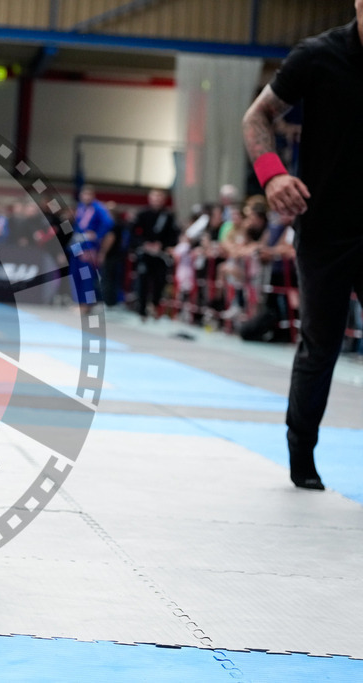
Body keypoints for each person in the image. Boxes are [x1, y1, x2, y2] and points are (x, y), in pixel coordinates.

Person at [242, 0, 363, 491]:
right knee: (321, 343)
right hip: (325, 228)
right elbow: (258, 117)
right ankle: (302, 456)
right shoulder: (317, 56)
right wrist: (271, 178)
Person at [130, 189, 177, 320]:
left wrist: (162, 245)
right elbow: (133, 233)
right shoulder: (142, 214)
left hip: (160, 255)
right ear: (150, 199)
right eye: (155, 197)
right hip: (145, 253)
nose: (157, 200)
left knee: (159, 280)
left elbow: (173, 236)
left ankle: (155, 304)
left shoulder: (168, 216)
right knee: (143, 280)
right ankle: (142, 309)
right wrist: (144, 244)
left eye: (159, 198)